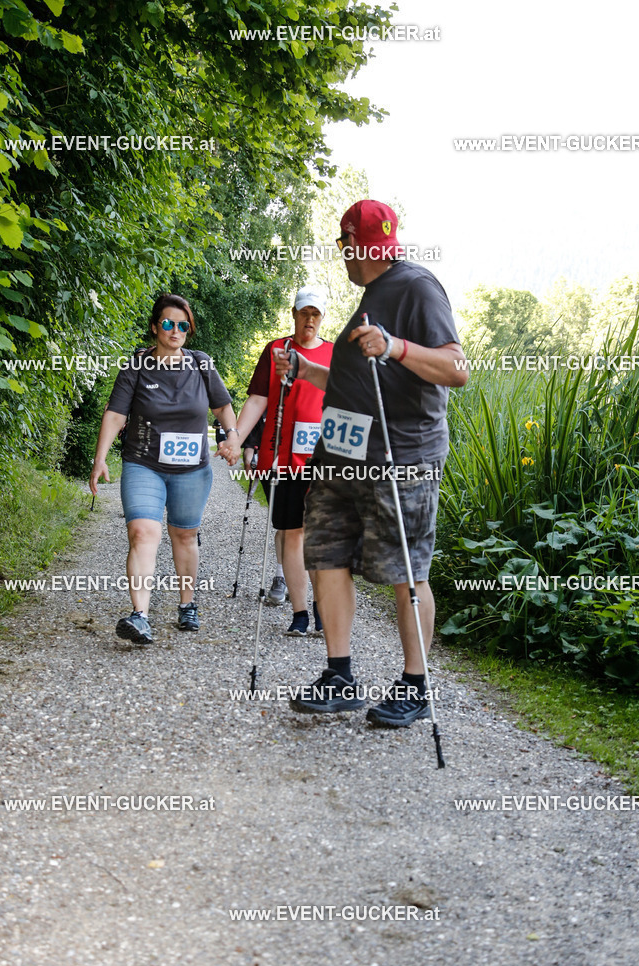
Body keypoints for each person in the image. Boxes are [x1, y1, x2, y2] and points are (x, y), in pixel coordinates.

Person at [275, 200, 469, 726]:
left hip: (399, 457)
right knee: (326, 556)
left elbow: (456, 368)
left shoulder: (416, 287)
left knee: (406, 571)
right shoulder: (370, 297)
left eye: (346, 248)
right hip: (342, 456)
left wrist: (397, 346)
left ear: (359, 246)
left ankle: (416, 685)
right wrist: (304, 369)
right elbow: (351, 380)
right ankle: (340, 675)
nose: (345, 258)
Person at [89, 293, 240, 644]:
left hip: (191, 469)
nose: (175, 330)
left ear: (189, 330)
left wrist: (232, 436)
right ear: (156, 327)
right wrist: (100, 458)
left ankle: (187, 604)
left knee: (184, 536)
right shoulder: (137, 365)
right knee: (143, 533)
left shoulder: (202, 364)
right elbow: (115, 414)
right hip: (144, 464)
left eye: (183, 325)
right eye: (168, 323)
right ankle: (139, 616)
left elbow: (223, 408)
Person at [219, 286, 333, 636]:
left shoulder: (334, 353)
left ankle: (322, 607)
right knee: (291, 532)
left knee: (318, 535)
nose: (309, 319)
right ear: (294, 313)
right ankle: (300, 613)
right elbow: (256, 401)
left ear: (322, 317)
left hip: (322, 458)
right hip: (281, 459)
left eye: (315, 314)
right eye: (304, 313)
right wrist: (234, 437)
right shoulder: (276, 350)